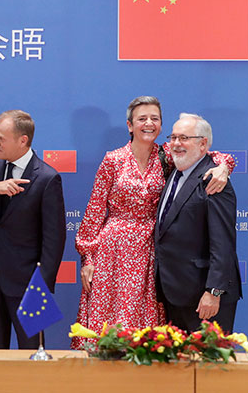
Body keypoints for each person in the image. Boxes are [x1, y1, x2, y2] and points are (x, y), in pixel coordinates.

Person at [71, 96, 234, 349]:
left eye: (155, 119)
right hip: (113, 251)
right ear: (129, 125)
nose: (148, 123)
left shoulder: (168, 154)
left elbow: (213, 154)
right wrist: (88, 259)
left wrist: (224, 167)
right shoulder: (112, 160)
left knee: (147, 327)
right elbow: (94, 211)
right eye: (142, 119)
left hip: (152, 250)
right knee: (110, 324)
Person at [0, 110, 66, 349]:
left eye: (0, 138)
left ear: (22, 140)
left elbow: (54, 240)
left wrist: (42, 288)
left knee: (32, 353)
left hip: (29, 284)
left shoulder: (48, 178)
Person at [155, 113, 241, 332]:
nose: (175, 144)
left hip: (205, 298)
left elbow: (223, 244)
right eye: (173, 137)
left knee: (207, 364)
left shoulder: (214, 180)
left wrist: (214, 292)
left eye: (184, 138)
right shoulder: (174, 172)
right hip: (174, 293)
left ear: (203, 144)